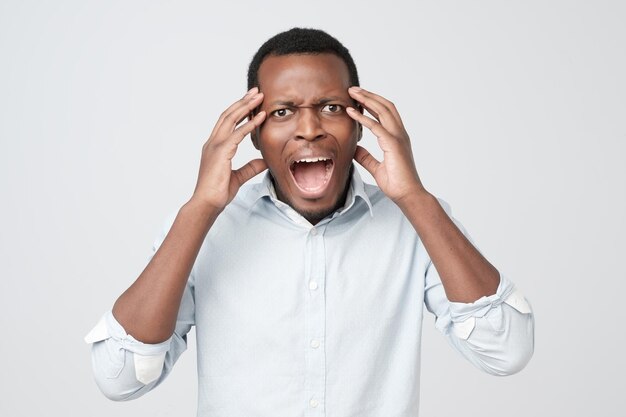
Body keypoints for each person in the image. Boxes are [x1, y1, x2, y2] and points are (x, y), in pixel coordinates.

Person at [85, 28, 534, 416]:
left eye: (331, 108)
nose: (309, 129)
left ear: (361, 125)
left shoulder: (414, 222)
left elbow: (507, 350)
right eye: (282, 112)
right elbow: (121, 378)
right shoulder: (203, 229)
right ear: (253, 132)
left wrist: (415, 197)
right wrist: (201, 208)